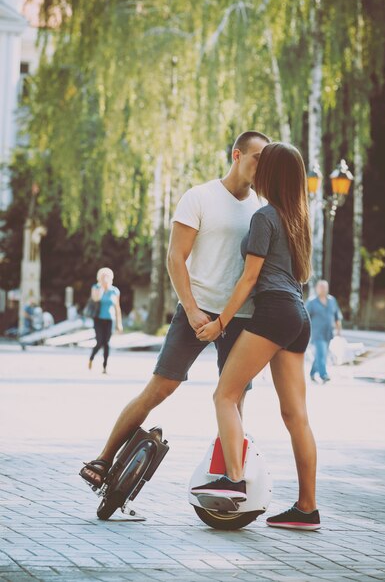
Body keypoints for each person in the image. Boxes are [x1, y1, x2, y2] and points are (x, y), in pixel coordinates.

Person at [79, 130, 271, 488]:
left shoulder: (262, 209)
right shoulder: (199, 197)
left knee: (234, 401)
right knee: (159, 389)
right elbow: (175, 258)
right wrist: (193, 309)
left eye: (266, 159)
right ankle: (103, 459)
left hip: (243, 317)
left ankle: (233, 482)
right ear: (236, 155)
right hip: (195, 313)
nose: (261, 165)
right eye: (257, 156)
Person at [190, 142, 321, 531]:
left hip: (274, 312)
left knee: (225, 395)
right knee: (296, 416)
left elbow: (249, 279)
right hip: (298, 315)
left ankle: (233, 480)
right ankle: (307, 509)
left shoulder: (264, 217)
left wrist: (220, 323)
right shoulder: (298, 218)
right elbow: (299, 276)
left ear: (271, 175)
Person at [306, 280, 343, 383]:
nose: (322, 289)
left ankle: (312, 373)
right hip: (317, 333)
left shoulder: (332, 300)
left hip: (328, 333)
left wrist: (339, 330)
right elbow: (304, 316)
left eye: (324, 287)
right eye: (320, 287)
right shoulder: (312, 302)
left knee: (321, 354)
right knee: (322, 353)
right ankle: (324, 375)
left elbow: (337, 316)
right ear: (317, 288)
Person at [88, 267, 123, 375]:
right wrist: (102, 288)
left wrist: (119, 323)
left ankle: (105, 366)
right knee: (99, 342)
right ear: (99, 278)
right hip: (98, 319)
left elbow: (117, 307)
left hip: (110, 320)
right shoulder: (96, 288)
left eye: (107, 276)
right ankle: (91, 358)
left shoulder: (115, 291)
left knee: (107, 343)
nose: (105, 278)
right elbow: (96, 299)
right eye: (103, 277)